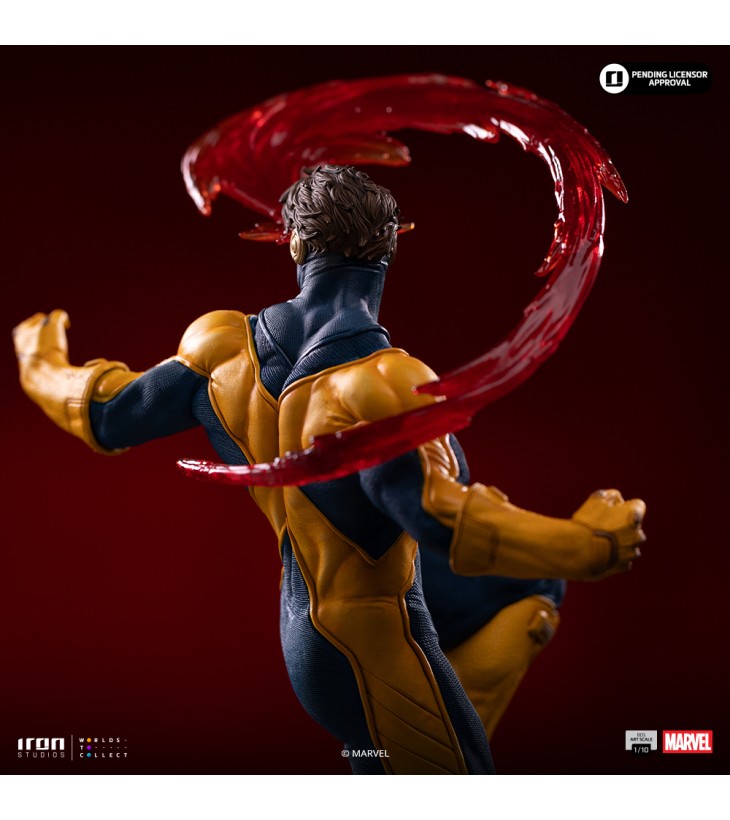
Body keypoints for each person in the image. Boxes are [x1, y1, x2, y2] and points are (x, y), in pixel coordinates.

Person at [14, 165, 645, 774]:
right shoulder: (385, 380)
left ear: (294, 242)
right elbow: (438, 520)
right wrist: (588, 543)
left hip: (308, 632)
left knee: (527, 591)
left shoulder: (220, 350)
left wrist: (39, 363)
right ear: (392, 244)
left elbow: (107, 415)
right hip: (376, 643)